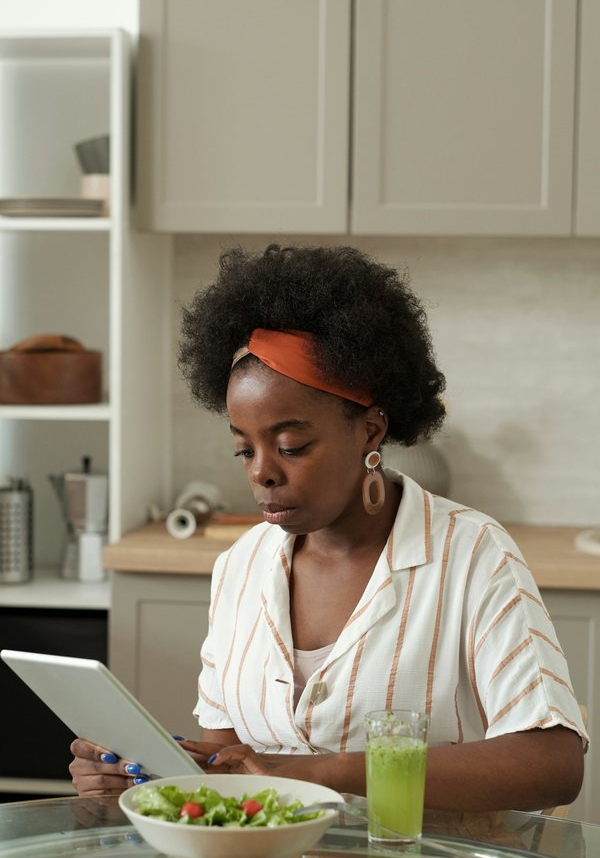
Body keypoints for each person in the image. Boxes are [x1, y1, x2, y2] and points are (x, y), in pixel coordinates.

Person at [70, 244, 587, 811]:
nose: (263, 472)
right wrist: (142, 772)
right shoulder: (239, 567)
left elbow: (552, 764)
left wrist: (331, 771)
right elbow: (227, 760)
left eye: (292, 445)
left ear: (369, 431)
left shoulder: (473, 555)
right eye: (245, 451)